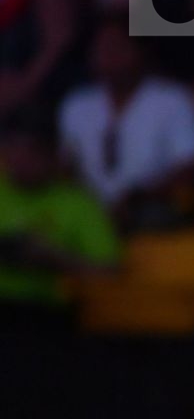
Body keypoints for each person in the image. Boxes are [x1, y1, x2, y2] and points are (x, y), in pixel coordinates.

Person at [57, 14, 194, 230]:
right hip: (88, 212)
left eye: (118, 46)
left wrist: (138, 198)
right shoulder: (76, 105)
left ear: (141, 49)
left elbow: (192, 169)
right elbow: (66, 168)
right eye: (101, 48)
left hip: (152, 210)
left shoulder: (172, 99)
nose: (109, 55)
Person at [0, 108, 118, 315]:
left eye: (32, 150)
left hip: (50, 314)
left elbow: (110, 274)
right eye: (13, 148)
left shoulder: (78, 203)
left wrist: (55, 258)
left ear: (53, 154)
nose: (21, 159)